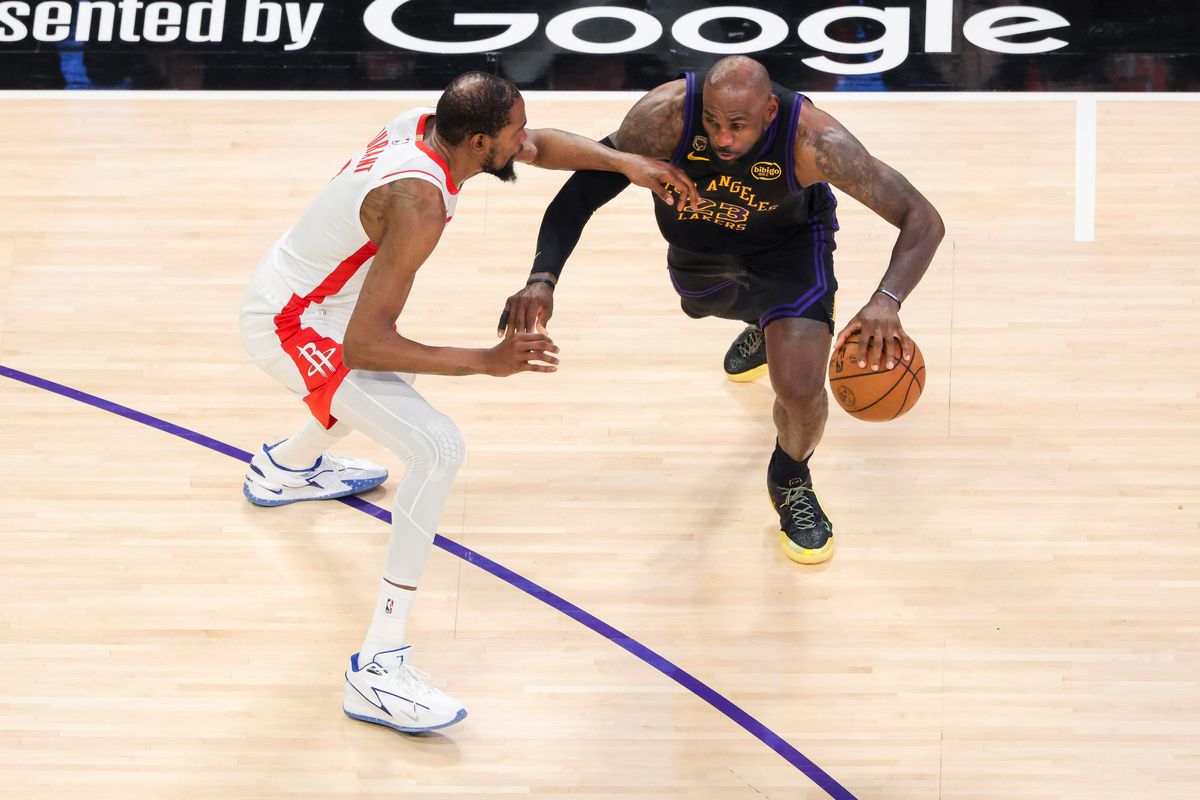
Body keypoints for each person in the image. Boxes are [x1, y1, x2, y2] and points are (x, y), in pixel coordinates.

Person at [238, 71, 699, 735]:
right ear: (480, 141)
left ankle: (286, 467)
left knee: (398, 393)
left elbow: (544, 145)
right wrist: (487, 362)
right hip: (293, 320)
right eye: (514, 135)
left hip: (315, 293)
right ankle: (379, 669)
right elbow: (367, 345)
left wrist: (621, 161)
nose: (526, 141)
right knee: (436, 446)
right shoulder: (418, 204)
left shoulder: (427, 126)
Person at [497, 56, 944, 565]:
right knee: (701, 305)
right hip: (699, 256)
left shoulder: (817, 141)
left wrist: (887, 300)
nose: (723, 138)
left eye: (738, 125)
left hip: (791, 250)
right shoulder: (663, 116)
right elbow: (581, 193)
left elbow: (922, 218)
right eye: (712, 122)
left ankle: (791, 475)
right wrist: (543, 277)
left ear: (770, 111)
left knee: (798, 387)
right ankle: (767, 323)